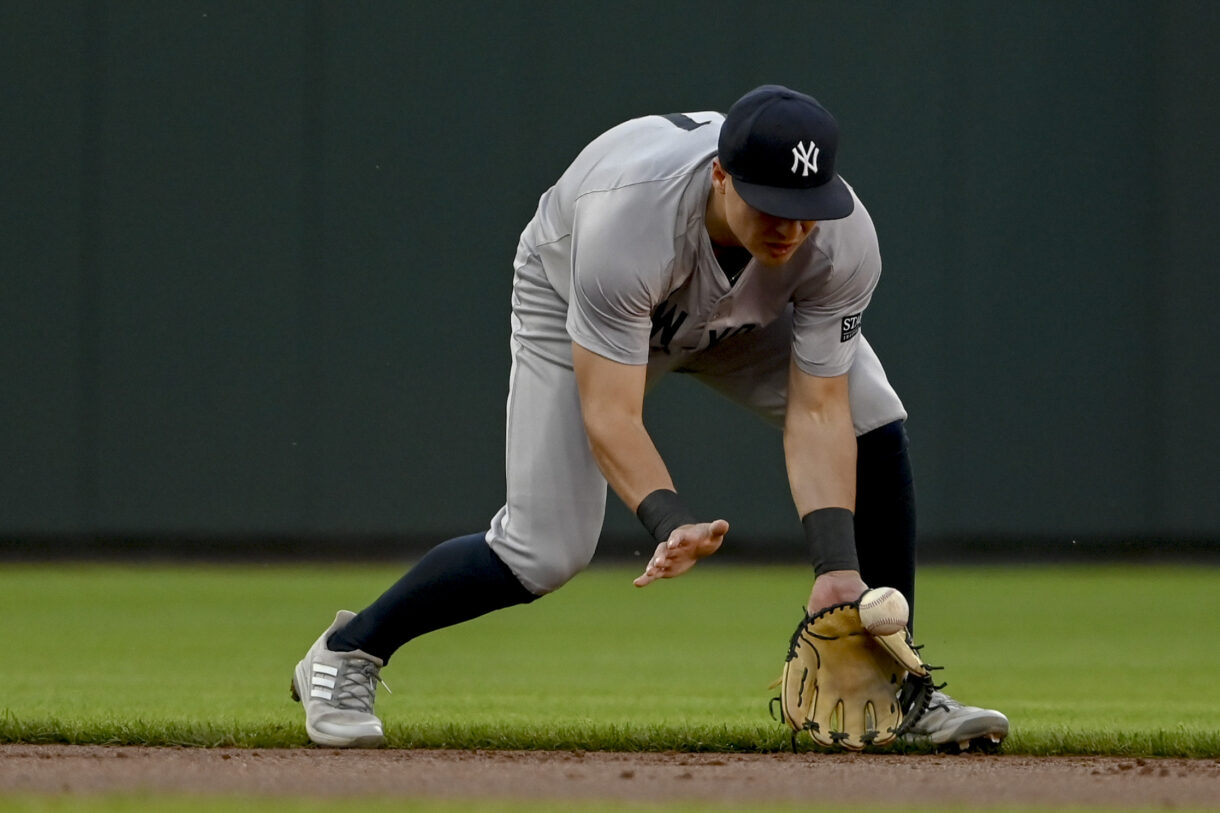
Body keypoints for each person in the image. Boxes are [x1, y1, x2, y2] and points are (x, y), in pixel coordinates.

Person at [290, 84, 1008, 751]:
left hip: (745, 322)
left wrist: (836, 567)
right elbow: (610, 411)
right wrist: (667, 517)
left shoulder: (842, 239)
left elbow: (821, 410)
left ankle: (894, 684)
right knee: (544, 548)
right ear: (722, 176)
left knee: (870, 415)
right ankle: (350, 649)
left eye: (806, 204)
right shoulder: (628, 221)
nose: (791, 224)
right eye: (768, 202)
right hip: (571, 293)